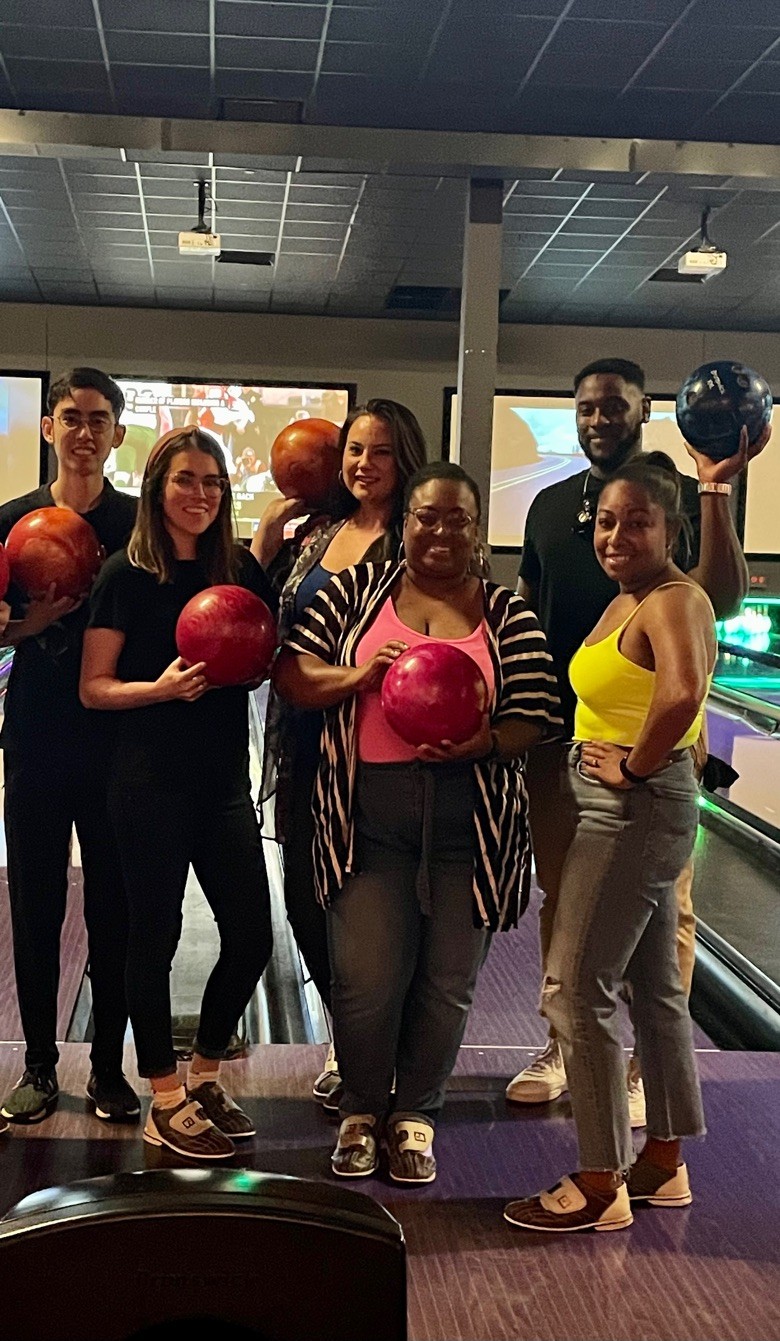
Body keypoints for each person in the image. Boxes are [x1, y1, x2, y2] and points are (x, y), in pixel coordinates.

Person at [274, 462, 561, 1184]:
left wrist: (486, 741)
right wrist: (359, 679)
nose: (439, 531)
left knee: (446, 982)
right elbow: (294, 674)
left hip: (473, 824)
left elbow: (538, 713)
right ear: (405, 524)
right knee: (366, 978)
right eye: (426, 517)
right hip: (367, 816)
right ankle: (363, 1110)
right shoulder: (355, 595)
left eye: (457, 519)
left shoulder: (507, 614)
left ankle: (417, 1114)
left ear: (476, 531)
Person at [506, 357, 770, 1123]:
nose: (598, 420)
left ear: (643, 408)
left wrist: (715, 487)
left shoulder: (681, 498)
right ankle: (564, 1048)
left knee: (664, 912)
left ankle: (637, 1068)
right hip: (563, 742)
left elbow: (716, 596)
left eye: (614, 407)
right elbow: (531, 603)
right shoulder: (552, 508)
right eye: (587, 408)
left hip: (646, 759)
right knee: (564, 896)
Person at [504, 454, 716, 1232]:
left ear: (671, 528)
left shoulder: (673, 598)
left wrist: (634, 764)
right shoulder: (631, 598)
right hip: (626, 804)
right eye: (606, 521)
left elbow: (685, 690)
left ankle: (599, 1182)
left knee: (574, 986)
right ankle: (661, 1161)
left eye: (638, 520)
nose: (617, 534)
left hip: (630, 810)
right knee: (655, 990)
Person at [80, 427, 276, 1161]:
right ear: (158, 486)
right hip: (147, 784)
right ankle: (164, 1095)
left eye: (214, 482)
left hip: (221, 781)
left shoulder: (240, 570)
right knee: (152, 939)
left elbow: (259, 656)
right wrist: (158, 689)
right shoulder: (123, 576)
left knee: (252, 935)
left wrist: (252, 667)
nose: (200, 494)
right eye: (186, 479)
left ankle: (205, 1076)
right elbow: (94, 689)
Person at [254, 399, 427, 1111]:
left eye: (380, 451)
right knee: (304, 900)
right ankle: (354, 1043)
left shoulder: (418, 540)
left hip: (374, 749)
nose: (363, 463)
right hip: (304, 743)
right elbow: (264, 621)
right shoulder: (317, 533)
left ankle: (383, 1057)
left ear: (404, 458)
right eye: (354, 449)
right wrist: (266, 535)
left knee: (372, 907)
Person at [0, 367, 139, 1127]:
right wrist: (28, 625)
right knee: (36, 902)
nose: (84, 432)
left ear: (117, 433)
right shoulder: (9, 520)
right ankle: (39, 1066)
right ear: (49, 428)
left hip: (116, 743)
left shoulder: (140, 525)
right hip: (33, 736)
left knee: (114, 906)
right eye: (70, 417)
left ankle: (110, 1067)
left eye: (99, 419)